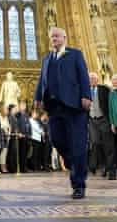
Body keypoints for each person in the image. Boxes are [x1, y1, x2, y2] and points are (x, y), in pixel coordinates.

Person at [34, 27, 92, 199]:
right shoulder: (46, 59)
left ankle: (78, 185)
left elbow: (83, 75)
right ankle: (72, 162)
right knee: (56, 139)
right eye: (52, 37)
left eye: (57, 36)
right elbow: (41, 81)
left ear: (64, 37)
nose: (54, 39)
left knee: (78, 145)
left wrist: (86, 95)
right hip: (54, 107)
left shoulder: (75, 54)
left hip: (74, 106)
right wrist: (38, 97)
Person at [88, 72, 116, 179]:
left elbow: (111, 103)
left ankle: (111, 170)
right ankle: (103, 166)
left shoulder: (104, 89)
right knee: (95, 143)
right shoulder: (85, 91)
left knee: (108, 145)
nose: (92, 80)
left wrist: (112, 120)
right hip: (92, 120)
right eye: (90, 78)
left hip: (103, 119)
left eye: (94, 78)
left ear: (97, 79)